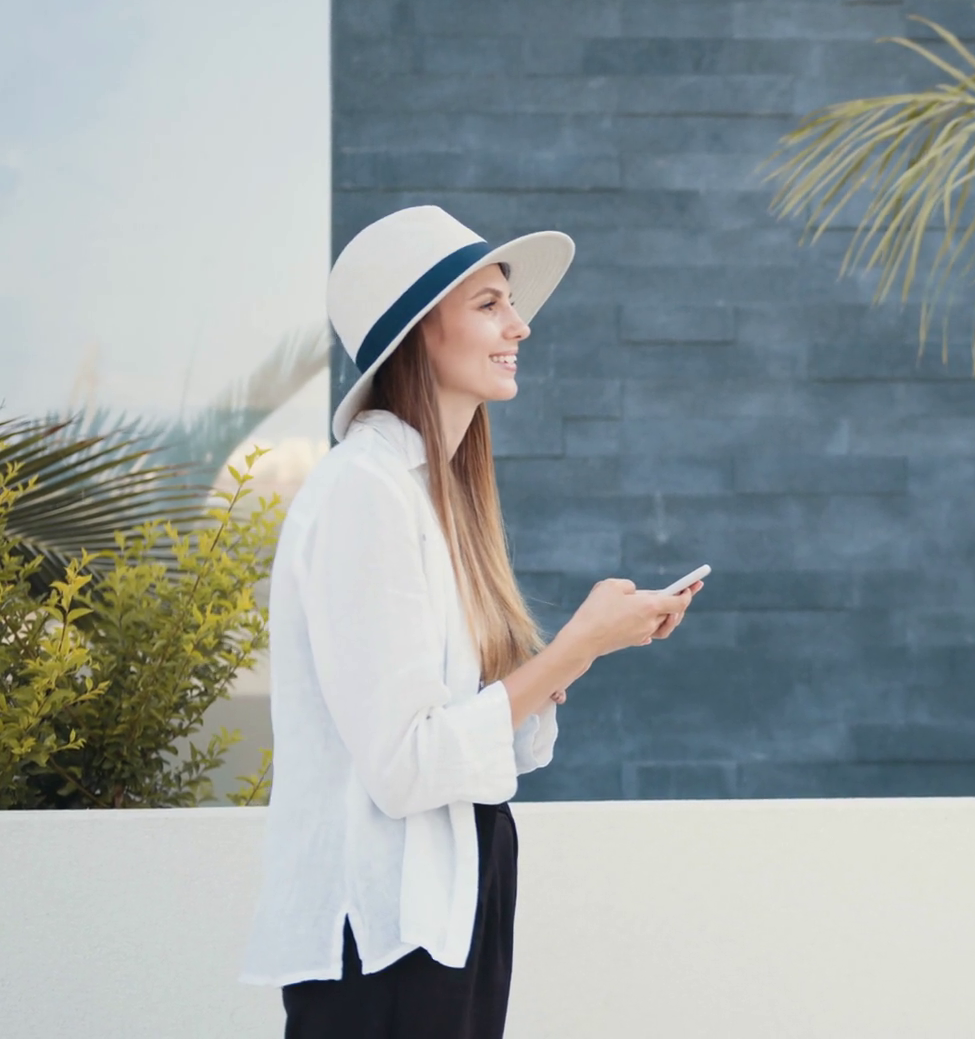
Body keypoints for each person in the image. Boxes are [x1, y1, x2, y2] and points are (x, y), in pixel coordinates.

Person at [240, 205, 700, 1037]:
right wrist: (572, 649)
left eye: (509, 304)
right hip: (384, 931)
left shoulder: (435, 495)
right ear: (420, 332)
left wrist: (573, 658)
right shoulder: (364, 493)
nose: (520, 326)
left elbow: (479, 739)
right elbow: (406, 766)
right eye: (489, 305)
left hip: (449, 903)